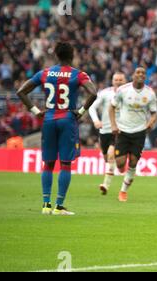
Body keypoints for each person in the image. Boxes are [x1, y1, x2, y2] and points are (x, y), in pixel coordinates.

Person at [16, 41, 97, 215]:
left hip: (49, 118)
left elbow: (21, 91)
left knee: (48, 163)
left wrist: (36, 111)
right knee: (65, 164)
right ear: (72, 55)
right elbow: (94, 92)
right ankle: (59, 207)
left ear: (56, 56)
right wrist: (81, 111)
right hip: (67, 119)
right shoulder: (78, 75)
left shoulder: (45, 73)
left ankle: (46, 205)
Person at [109, 67, 157, 202]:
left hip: (139, 132)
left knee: (134, 162)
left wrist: (150, 123)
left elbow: (154, 113)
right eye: (138, 72)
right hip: (123, 131)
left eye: (143, 73)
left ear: (145, 77)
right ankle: (122, 168)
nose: (141, 75)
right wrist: (113, 125)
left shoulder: (150, 93)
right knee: (120, 164)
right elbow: (111, 107)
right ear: (133, 75)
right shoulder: (123, 90)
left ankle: (123, 191)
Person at [89, 72, 127, 195]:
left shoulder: (128, 95)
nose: (118, 81)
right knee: (107, 158)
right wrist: (96, 120)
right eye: (116, 79)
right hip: (104, 130)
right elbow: (92, 107)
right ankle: (120, 165)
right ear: (112, 81)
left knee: (111, 155)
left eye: (121, 79)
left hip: (119, 130)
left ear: (125, 81)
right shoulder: (105, 93)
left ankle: (105, 185)